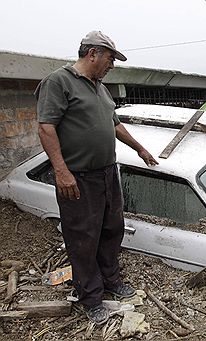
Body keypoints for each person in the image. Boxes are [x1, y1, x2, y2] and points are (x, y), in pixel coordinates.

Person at [35, 31, 158, 324]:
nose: (112, 65)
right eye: (111, 58)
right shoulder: (59, 82)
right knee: (82, 238)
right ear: (93, 54)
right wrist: (61, 171)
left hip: (106, 172)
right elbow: (46, 128)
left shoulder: (99, 87)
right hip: (78, 177)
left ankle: (111, 281)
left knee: (112, 228)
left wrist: (140, 148)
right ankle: (91, 297)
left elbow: (114, 124)